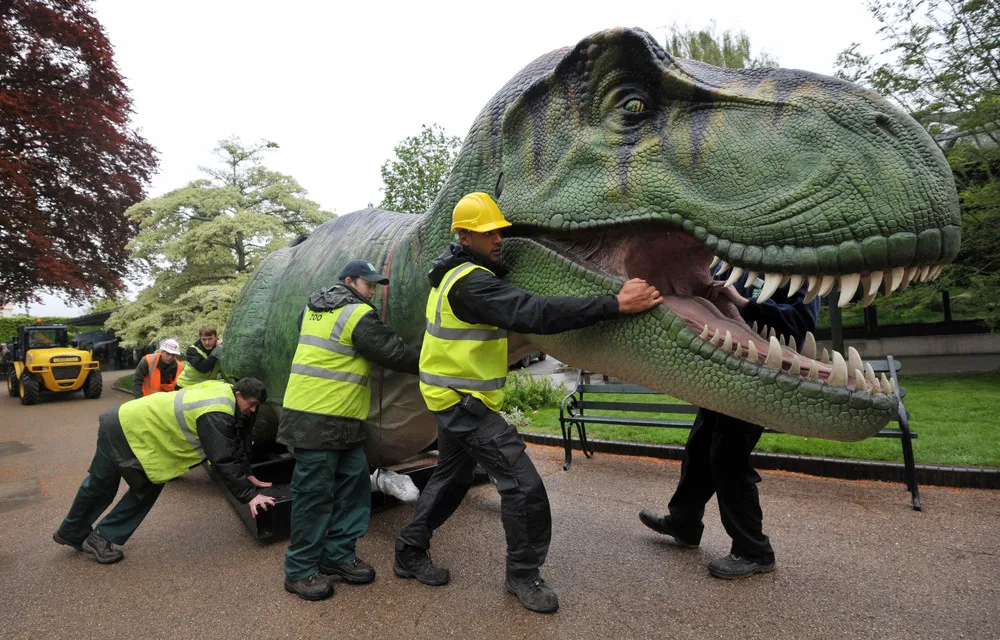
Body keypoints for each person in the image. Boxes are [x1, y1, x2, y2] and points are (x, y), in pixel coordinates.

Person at [393, 192, 662, 614]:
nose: (498, 238)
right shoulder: (470, 282)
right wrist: (615, 304)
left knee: (450, 478)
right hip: (462, 402)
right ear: (464, 236)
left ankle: (409, 550)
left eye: (500, 229)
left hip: (451, 397)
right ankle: (522, 575)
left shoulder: (453, 275)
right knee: (523, 486)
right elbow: (532, 312)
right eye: (487, 232)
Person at [639, 273, 819, 579]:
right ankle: (685, 522)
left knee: (728, 455)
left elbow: (800, 323)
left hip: (765, 378)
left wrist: (744, 302)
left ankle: (754, 549)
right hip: (727, 371)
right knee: (699, 445)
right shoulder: (740, 269)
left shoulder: (798, 274)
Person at [279, 259, 420, 601]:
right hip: (319, 421)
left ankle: (337, 555)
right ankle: (299, 571)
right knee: (314, 497)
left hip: (338, 419)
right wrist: (442, 362)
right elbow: (395, 352)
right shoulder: (356, 314)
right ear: (348, 281)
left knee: (354, 488)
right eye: (368, 284)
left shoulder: (311, 310)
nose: (373, 290)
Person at [53, 378, 276, 564]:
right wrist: (249, 495)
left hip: (119, 420)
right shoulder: (217, 411)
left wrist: (246, 473)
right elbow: (223, 457)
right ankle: (101, 538)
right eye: (252, 403)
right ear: (239, 395)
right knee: (146, 486)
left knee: (99, 482)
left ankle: (71, 530)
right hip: (133, 432)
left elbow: (233, 441)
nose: (253, 410)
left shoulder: (221, 390)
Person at [176, 325, 223, 389]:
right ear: (200, 338)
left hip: (203, 387)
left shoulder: (221, 347)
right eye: (204, 339)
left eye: (210, 339)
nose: (207, 343)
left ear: (216, 337)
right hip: (185, 385)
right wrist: (216, 350)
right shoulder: (192, 351)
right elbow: (203, 368)